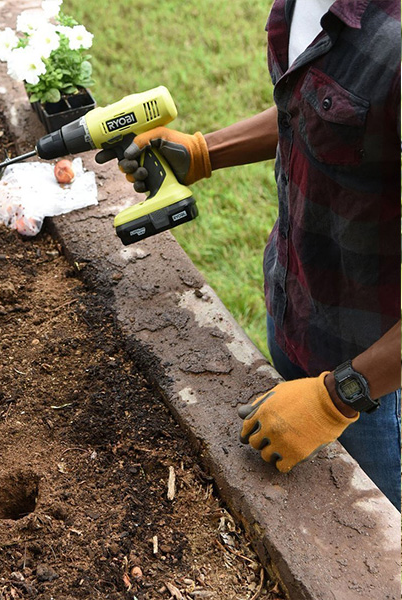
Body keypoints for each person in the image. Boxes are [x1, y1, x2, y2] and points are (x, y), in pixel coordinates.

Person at [96, 0, 401, 509]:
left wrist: (340, 396)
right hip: (295, 309)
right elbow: (314, 110)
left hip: (377, 383)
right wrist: (203, 151)